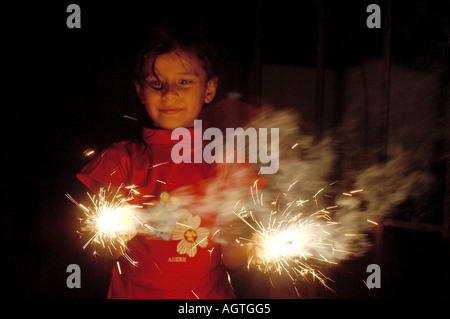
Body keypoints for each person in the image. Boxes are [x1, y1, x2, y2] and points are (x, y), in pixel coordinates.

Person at [77, 29, 264, 299]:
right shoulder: (120, 160)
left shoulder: (227, 162)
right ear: (140, 91)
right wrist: (115, 234)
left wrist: (251, 249)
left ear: (209, 89)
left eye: (184, 81)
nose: (169, 94)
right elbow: (104, 248)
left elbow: (233, 256)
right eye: (156, 84)